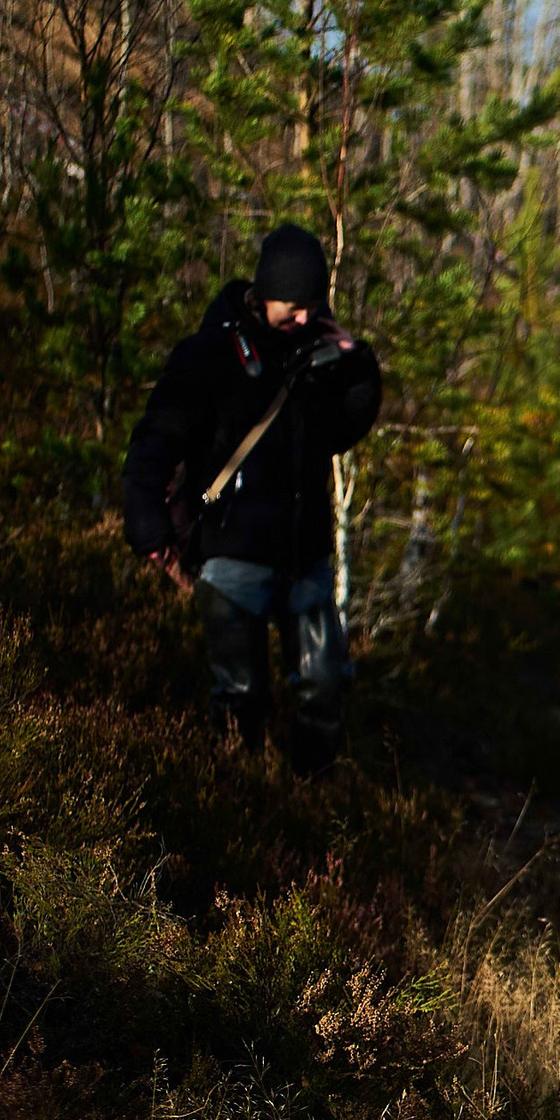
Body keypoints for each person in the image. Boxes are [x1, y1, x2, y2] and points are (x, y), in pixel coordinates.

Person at [122, 224, 381, 773]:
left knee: (325, 688)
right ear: (265, 294)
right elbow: (154, 442)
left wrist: (359, 368)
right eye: (294, 306)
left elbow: (341, 430)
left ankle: (307, 800)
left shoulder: (318, 354)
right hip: (231, 554)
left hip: (304, 555)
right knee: (240, 698)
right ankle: (237, 795)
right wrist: (148, 526)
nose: (304, 318)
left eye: (313, 306)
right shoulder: (209, 354)